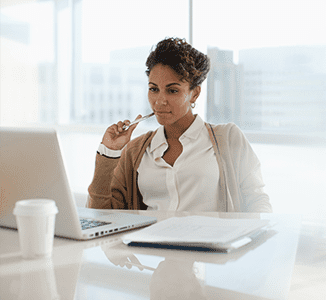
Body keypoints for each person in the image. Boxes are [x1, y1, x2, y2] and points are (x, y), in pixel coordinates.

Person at [87, 37, 272, 213]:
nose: (159, 101)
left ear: (194, 94)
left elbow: (257, 201)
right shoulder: (136, 151)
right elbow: (101, 215)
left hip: (209, 245)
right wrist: (110, 152)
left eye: (172, 90)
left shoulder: (228, 138)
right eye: (153, 89)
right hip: (149, 245)